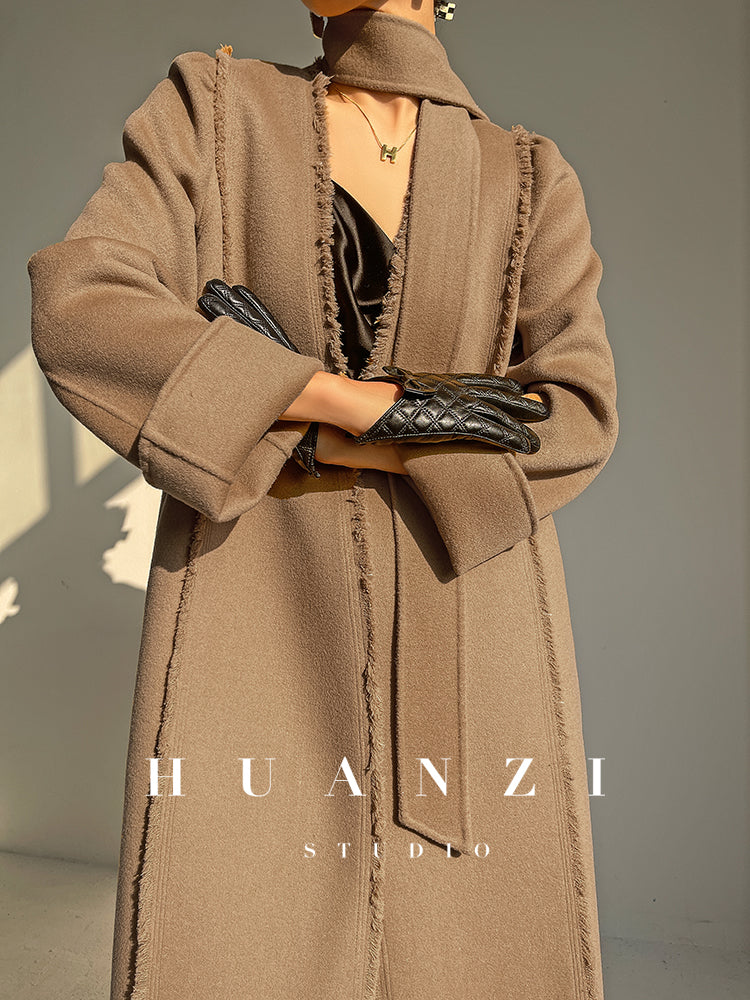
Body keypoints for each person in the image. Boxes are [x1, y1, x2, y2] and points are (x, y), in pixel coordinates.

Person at [26, 2, 619, 998]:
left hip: (471, 613)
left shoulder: (528, 178)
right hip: (252, 595)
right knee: (236, 924)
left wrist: (279, 413)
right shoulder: (215, 111)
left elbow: (572, 412)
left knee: (475, 945)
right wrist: (358, 405)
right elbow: (85, 304)